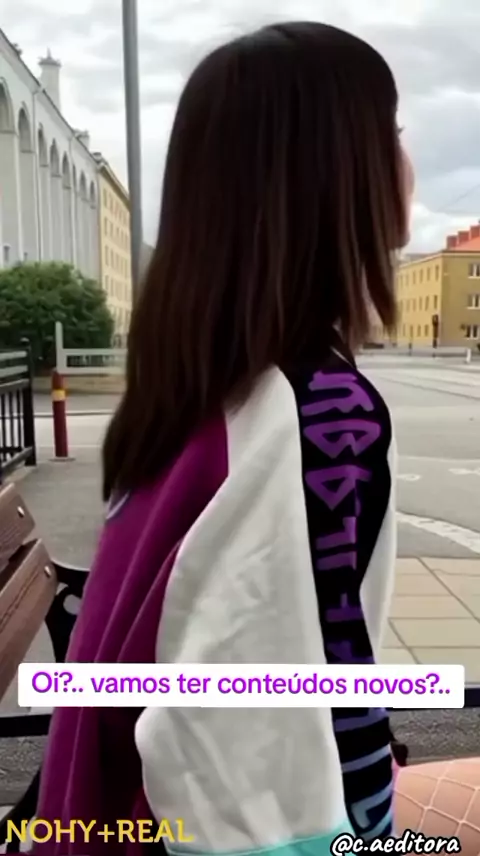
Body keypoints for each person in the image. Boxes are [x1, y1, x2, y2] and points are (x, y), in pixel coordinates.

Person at [33, 20, 414, 856]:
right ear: (337, 170)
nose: (406, 161)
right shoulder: (316, 411)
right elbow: (249, 729)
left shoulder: (200, 389)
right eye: (391, 132)